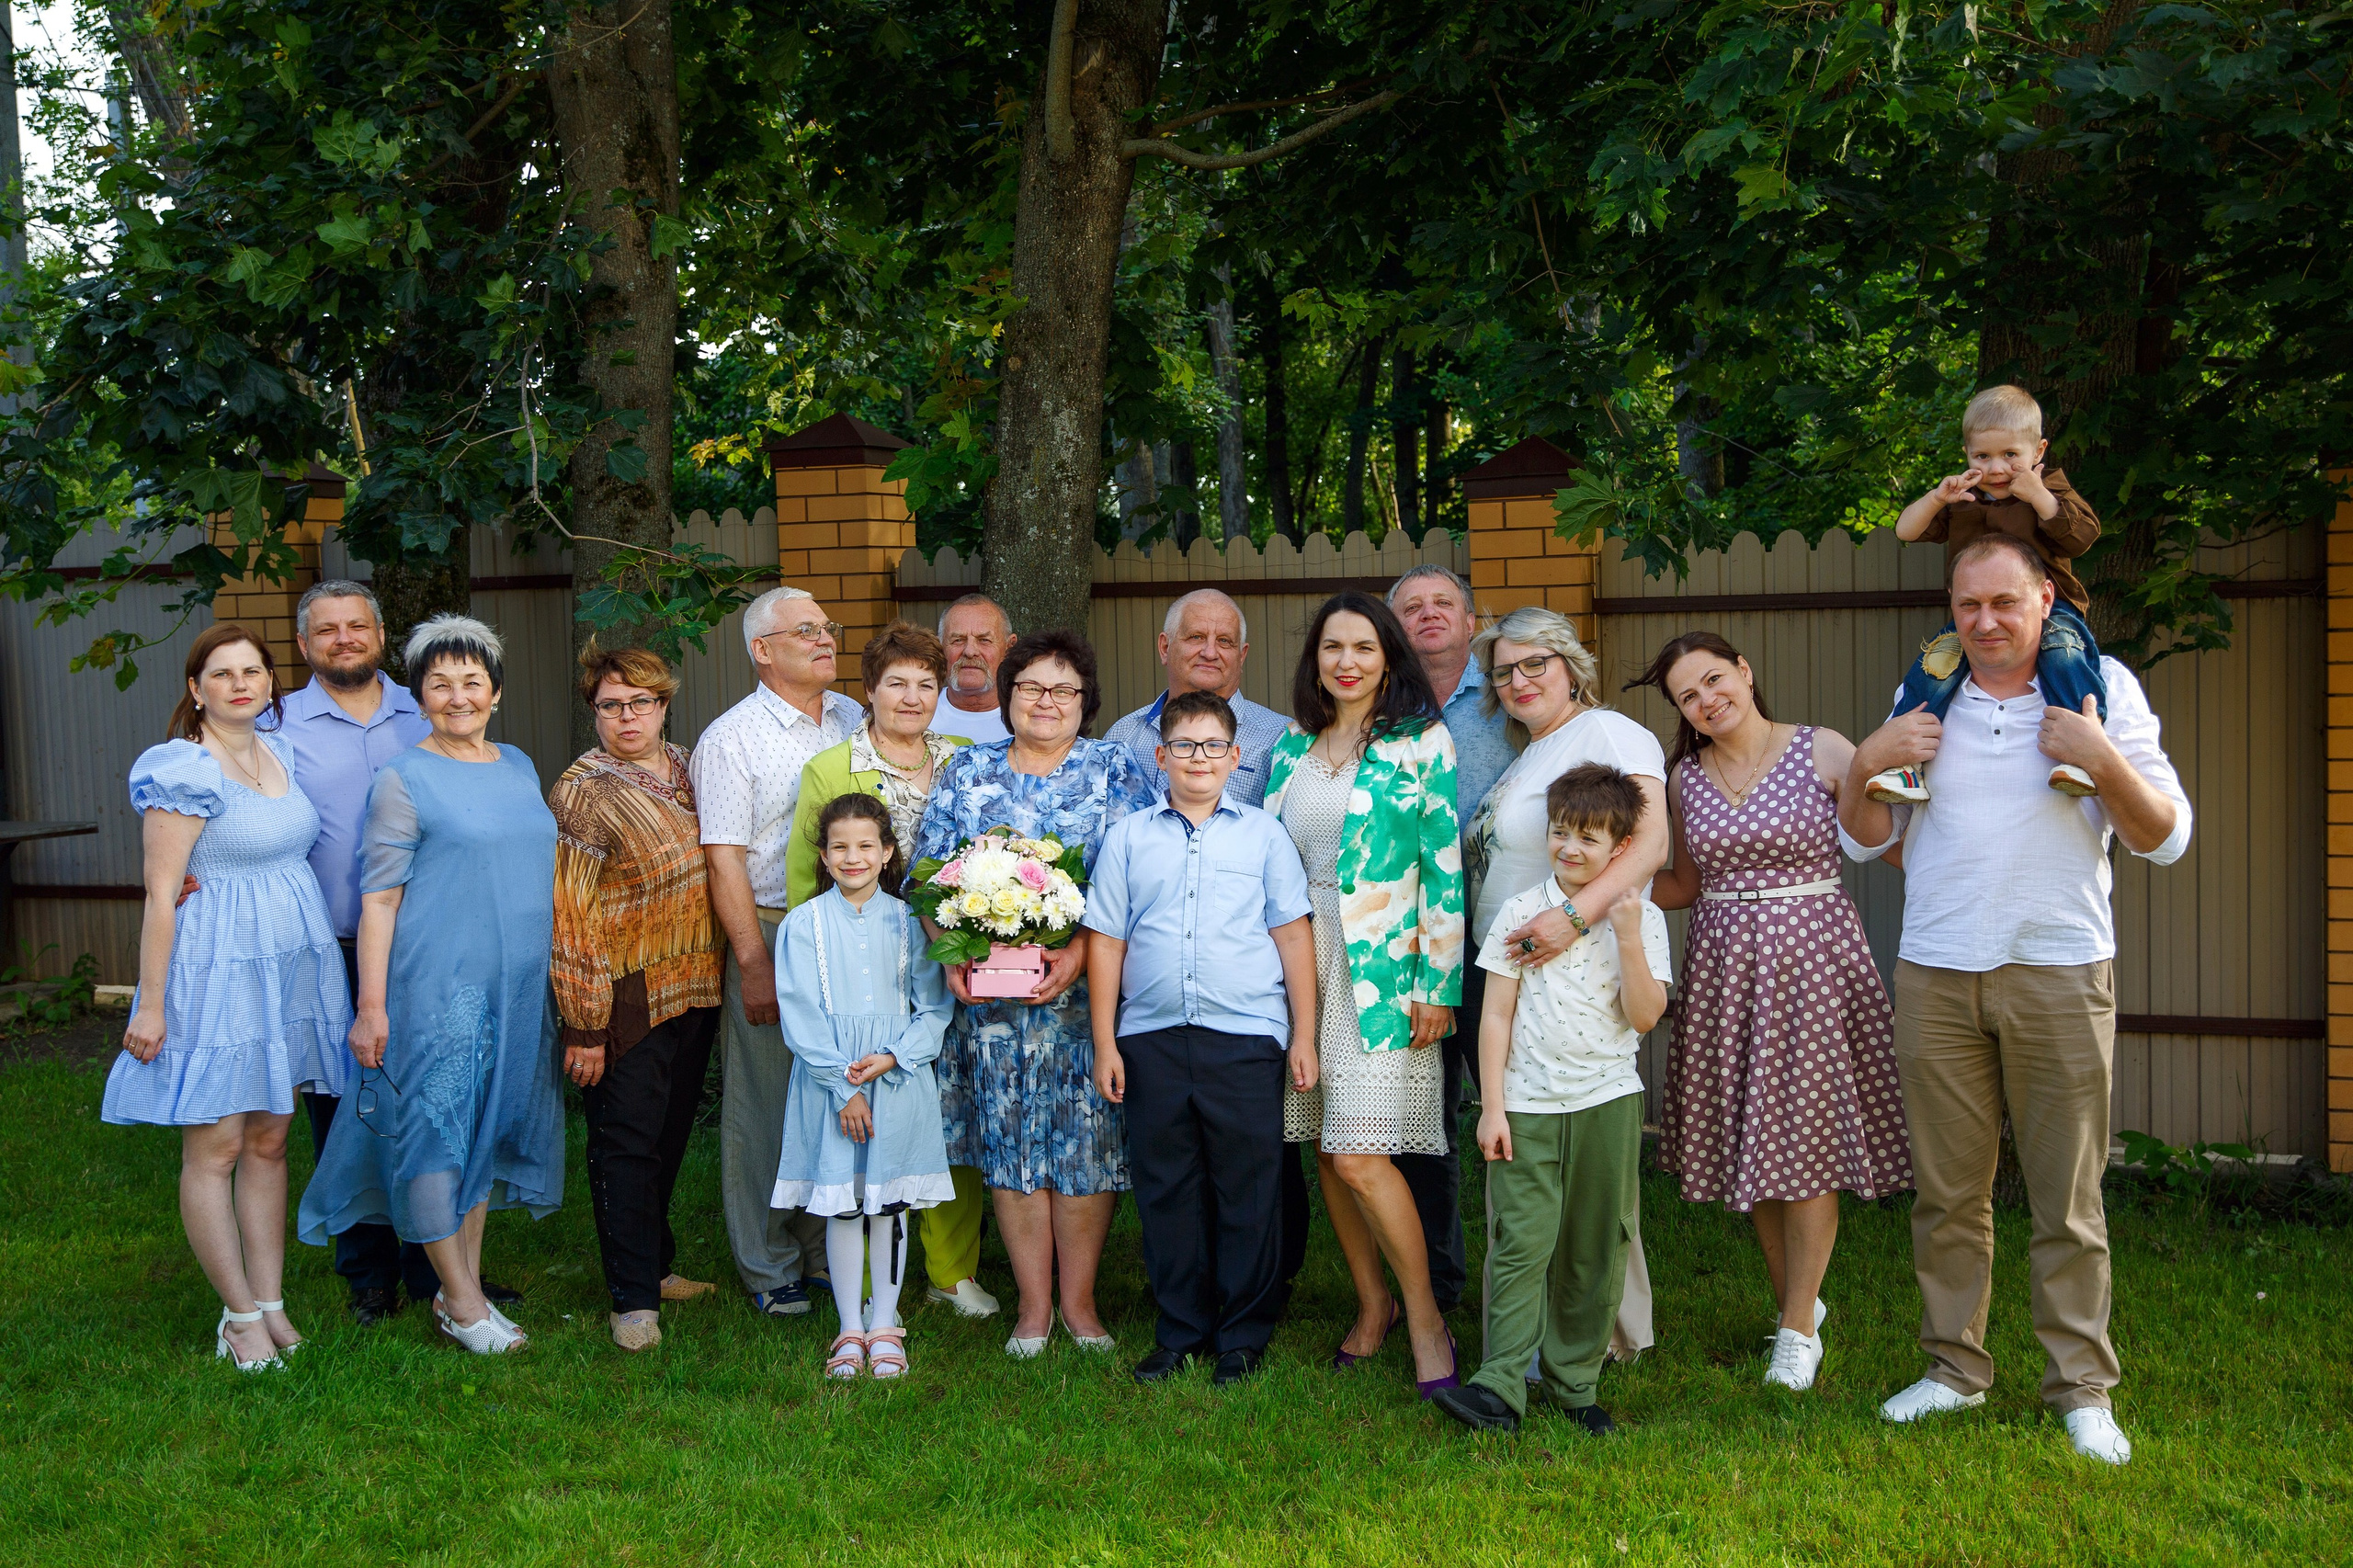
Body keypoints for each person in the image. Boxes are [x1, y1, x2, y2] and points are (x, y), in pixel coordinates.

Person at [1841, 532, 2192, 1466]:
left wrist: (2099, 755)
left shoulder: (2098, 686)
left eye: (2005, 602)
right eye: (1968, 605)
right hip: (1937, 965)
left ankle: (2081, 1388)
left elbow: (2165, 836)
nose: (1986, 622)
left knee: (2066, 1199)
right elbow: (1866, 837)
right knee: (1947, 1194)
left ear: (2045, 597)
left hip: (2061, 965)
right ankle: (1953, 1368)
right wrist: (1865, 758)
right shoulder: (1928, 691)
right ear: (1951, 608)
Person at [1632, 631, 1913, 1392]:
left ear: (1746, 672)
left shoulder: (1822, 749)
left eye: (1715, 680)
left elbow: (1879, 839)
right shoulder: (1682, 778)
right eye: (1689, 696)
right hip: (1726, 969)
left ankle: (1794, 1331)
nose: (1707, 701)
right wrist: (1599, 890)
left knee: (1807, 1139)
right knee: (1751, 1141)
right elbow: (1684, 884)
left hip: (1814, 965)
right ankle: (1799, 1307)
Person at [298, 615, 563, 1355]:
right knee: (435, 1135)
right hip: (438, 985)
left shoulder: (516, 765)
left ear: (496, 693)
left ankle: (460, 1293)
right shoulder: (403, 778)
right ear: (418, 698)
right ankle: (465, 1301)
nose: (457, 696)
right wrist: (373, 1006)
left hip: (514, 988)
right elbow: (379, 900)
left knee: (483, 1131)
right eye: (440, 684)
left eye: (471, 682)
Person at [105, 625, 355, 1370]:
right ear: (196, 689)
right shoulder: (183, 767)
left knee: (271, 1140)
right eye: (222, 673)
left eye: (253, 670)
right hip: (216, 967)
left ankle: (270, 1303)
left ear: (271, 684)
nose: (240, 683)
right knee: (215, 1146)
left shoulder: (278, 754)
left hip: (287, 963)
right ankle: (236, 1316)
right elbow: (159, 895)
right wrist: (150, 1005)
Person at [912, 629, 1155, 1358]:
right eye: (1031, 688)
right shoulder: (968, 770)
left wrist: (1081, 951)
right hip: (988, 1008)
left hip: (1086, 1003)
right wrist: (945, 952)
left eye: (1063, 690)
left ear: (1086, 702)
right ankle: (1032, 1306)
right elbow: (928, 873)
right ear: (1008, 696)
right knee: (1012, 1143)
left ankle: (1080, 1306)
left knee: (1085, 1147)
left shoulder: (1115, 769)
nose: (1046, 701)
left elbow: (1139, 879)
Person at [1086, 690, 1319, 1387]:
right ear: (1160, 756)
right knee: (1167, 1186)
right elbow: (1107, 940)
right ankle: (1181, 1329)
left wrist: (1303, 1033)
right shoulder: (1129, 836)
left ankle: (1243, 1335)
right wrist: (1106, 1042)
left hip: (1244, 1034)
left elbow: (1291, 934)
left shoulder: (1263, 835)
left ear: (1234, 756)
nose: (1198, 758)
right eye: (1183, 745)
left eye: (1213, 746)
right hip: (1152, 1036)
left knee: (1248, 1185)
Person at [1263, 591, 1463, 1396]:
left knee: (1360, 1150)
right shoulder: (1289, 749)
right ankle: (1371, 1305)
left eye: (1364, 649)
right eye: (1331, 648)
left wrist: (1436, 982)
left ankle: (1424, 1316)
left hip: (1383, 974)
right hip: (1300, 972)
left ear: (1389, 659)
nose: (1346, 662)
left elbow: (1441, 866)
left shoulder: (1421, 743)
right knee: (1328, 1151)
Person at [1432, 765, 1671, 1436]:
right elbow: (1497, 1018)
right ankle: (1499, 1385)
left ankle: (1576, 1386)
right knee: (1520, 1243)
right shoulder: (1520, 914)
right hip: (1529, 1107)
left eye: (1588, 839)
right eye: (1561, 833)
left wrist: (1623, 931)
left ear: (1620, 848)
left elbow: (1646, 1015)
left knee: (1596, 1248)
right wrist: (1493, 1107)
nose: (1570, 849)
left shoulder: (1644, 919)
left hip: (1608, 1105)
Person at [1462, 606, 1667, 1358]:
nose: (1518, 681)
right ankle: (1533, 1334)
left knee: (1588, 1162)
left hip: (1572, 968)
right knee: (1530, 1153)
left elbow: (1650, 840)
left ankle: (1607, 1332)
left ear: (1569, 665)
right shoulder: (1533, 752)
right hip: (1516, 970)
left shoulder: (1608, 733)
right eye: (1503, 672)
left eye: (1533, 665)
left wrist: (1574, 920)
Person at [783, 621, 995, 1320]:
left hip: (951, 971)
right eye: (895, 682)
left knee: (952, 1118)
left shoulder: (966, 758)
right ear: (868, 690)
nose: (911, 696)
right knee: (873, 1121)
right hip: (857, 973)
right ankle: (869, 1289)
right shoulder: (829, 770)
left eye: (926, 685)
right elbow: (802, 886)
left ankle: (951, 1269)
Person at [261, 580, 449, 1324]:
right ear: (304, 645)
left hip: (426, 945)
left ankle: (433, 1268)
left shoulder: (426, 709)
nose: (344, 639)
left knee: (432, 1103)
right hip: (329, 946)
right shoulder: (276, 726)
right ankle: (366, 1274)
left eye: (357, 626)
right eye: (327, 630)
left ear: (380, 633)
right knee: (346, 1110)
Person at [689, 585, 864, 1317]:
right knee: (767, 1101)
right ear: (763, 650)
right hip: (771, 926)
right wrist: (753, 964)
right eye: (805, 631)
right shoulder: (731, 739)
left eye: (827, 627)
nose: (825, 639)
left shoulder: (855, 718)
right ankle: (768, 1263)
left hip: (851, 926)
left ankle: (827, 1248)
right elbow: (723, 860)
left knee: (838, 1088)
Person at [550, 643, 724, 1352]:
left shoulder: (687, 766)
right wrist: (584, 1025)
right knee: (625, 1141)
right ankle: (630, 1298)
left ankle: (656, 1267)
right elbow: (571, 911)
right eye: (611, 706)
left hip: (696, 983)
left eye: (640, 702)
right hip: (621, 990)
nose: (627, 717)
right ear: (594, 712)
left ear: (663, 704)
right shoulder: (583, 791)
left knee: (669, 1133)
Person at [772, 794, 955, 1381]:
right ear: (823, 857)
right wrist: (840, 1086)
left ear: (888, 853)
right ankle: (850, 1326)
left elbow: (934, 1006)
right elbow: (799, 1013)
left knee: (889, 1205)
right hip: (834, 1087)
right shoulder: (803, 925)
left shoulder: (910, 922)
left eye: (865, 846)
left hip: (897, 1082)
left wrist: (895, 1057)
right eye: (840, 847)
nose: (853, 858)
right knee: (845, 1204)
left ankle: (886, 1324)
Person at [1868, 383, 2108, 803]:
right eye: (1983, 456)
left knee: (2063, 655)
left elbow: (2083, 537)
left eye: (2011, 455)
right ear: (1967, 455)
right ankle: (1904, 765)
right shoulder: (1963, 498)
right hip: (1978, 616)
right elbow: (1906, 529)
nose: (1997, 468)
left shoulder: (2049, 485)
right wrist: (1937, 498)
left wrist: (2039, 496)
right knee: (1935, 665)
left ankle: (2082, 754)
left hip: (2052, 612)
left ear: (2038, 451)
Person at [1381, 563, 1514, 1313]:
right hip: (1405, 944)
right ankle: (1432, 1281)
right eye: (1412, 607)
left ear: (1471, 621)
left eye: (1444, 605)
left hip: (1499, 937)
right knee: (1418, 1120)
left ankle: (1518, 1283)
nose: (1428, 616)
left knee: (1510, 1105)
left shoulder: (1510, 699)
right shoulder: (1377, 702)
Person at [1102, 589, 1290, 807]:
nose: (1210, 653)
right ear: (1165, 647)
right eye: (1196, 637)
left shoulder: (1280, 739)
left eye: (1224, 641)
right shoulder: (1122, 737)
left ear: (1241, 656)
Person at [929, 594, 1014, 745]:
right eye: (958, 640)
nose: (970, 651)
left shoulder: (1031, 717)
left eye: (984, 640)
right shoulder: (917, 713)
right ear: (940, 648)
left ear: (1009, 648)